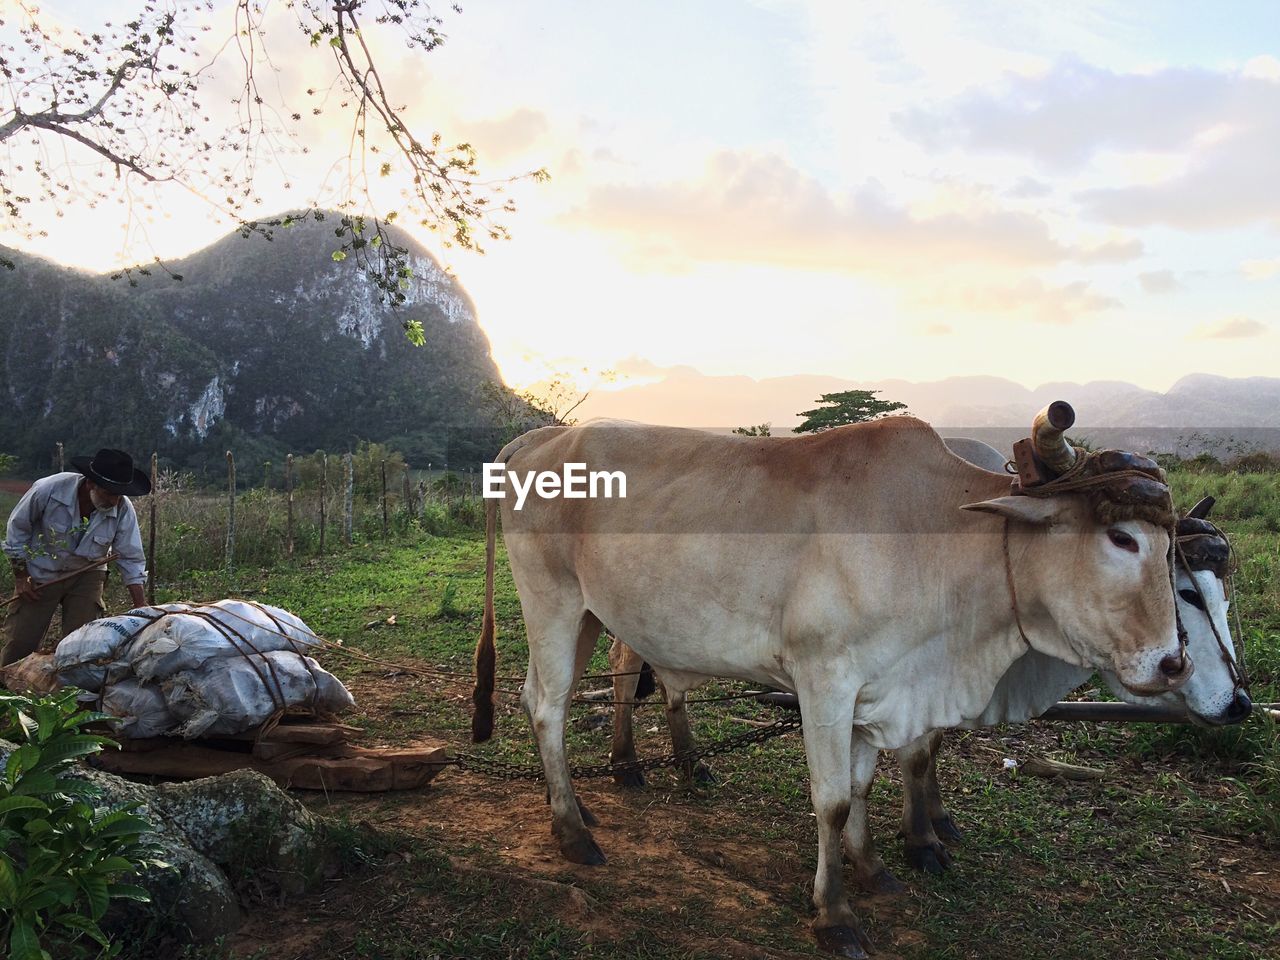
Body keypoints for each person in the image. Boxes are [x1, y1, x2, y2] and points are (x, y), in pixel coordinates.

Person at [2, 448, 151, 666]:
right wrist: (21, 577)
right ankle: (7, 692)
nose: (114, 500)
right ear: (91, 484)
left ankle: (73, 694)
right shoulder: (48, 490)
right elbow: (17, 530)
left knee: (83, 646)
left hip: (88, 572)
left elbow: (130, 556)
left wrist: (141, 605)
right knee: (20, 642)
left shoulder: (122, 508)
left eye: (119, 494)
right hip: (41, 573)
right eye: (109, 493)